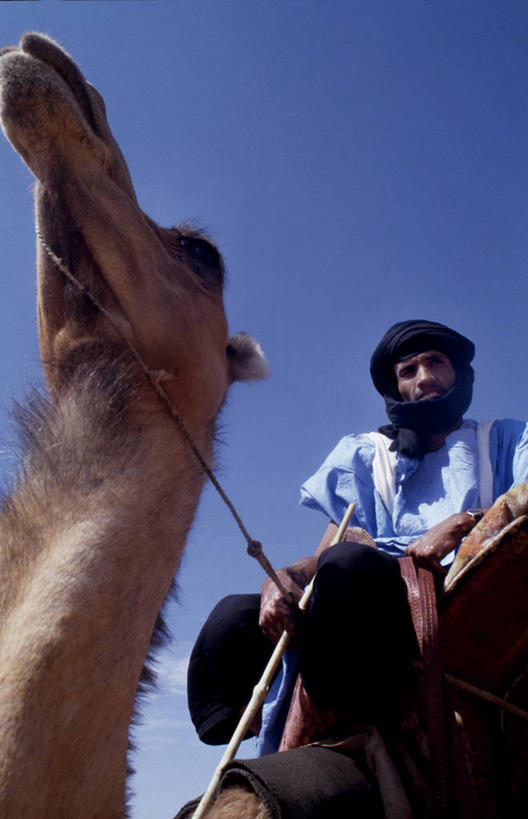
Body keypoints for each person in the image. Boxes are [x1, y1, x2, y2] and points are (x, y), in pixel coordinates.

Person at [187, 319, 528, 753]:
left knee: (348, 568)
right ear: (395, 387)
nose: (425, 378)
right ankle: (273, 721)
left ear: (459, 372)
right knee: (232, 617)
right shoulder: (367, 454)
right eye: (409, 371)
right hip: (356, 593)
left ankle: (334, 709)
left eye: (436, 363)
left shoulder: (502, 439)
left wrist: (467, 519)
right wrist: (285, 577)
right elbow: (333, 545)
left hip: (457, 595)